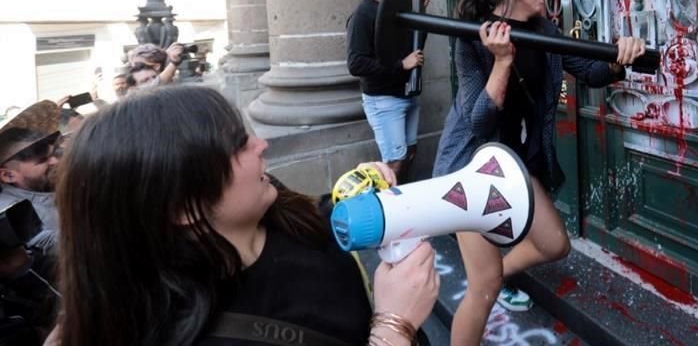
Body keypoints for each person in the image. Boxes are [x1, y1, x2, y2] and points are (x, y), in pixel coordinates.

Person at [53, 85, 438, 346]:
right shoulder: (194, 332)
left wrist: (354, 195)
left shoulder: (270, 208)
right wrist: (394, 326)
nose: (262, 144)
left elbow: (320, 217)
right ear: (183, 207)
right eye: (238, 145)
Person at [433, 0, 648, 344]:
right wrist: (501, 62)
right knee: (482, 288)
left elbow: (591, 71)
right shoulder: (471, 36)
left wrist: (620, 59)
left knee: (554, 244)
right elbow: (479, 122)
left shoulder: (544, 31)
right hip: (469, 166)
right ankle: (489, 279)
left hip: (510, 162)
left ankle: (495, 272)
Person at [347, 0, 429, 183]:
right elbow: (356, 63)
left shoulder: (394, 9)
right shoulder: (362, 16)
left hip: (407, 93)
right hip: (384, 100)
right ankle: (382, 211)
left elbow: (416, 46)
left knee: (409, 154)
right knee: (394, 163)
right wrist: (400, 65)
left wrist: (421, 10)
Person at [0, 100, 63, 256]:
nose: (55, 161)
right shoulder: (10, 215)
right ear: (8, 175)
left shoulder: (58, 183)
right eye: (41, 159)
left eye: (54, 152)